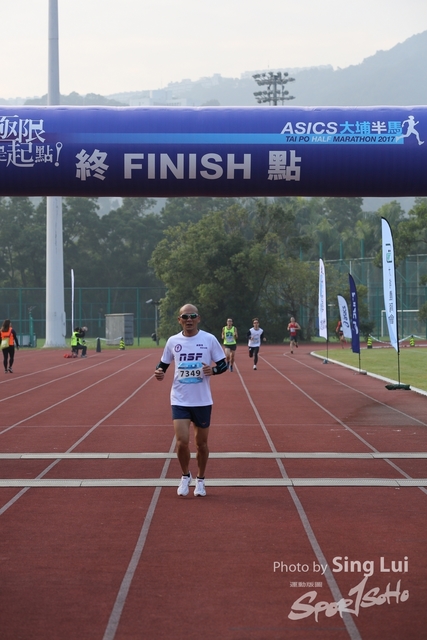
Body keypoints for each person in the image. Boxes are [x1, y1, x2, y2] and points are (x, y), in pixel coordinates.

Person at [154, 304, 227, 497]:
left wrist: (213, 370)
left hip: (202, 400)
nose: (189, 320)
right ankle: (185, 475)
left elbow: (223, 364)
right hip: (180, 399)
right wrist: (159, 372)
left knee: (201, 444)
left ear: (198, 318)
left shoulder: (209, 339)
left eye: (192, 316)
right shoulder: (173, 341)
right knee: (181, 442)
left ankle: (200, 479)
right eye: (185, 317)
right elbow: (163, 364)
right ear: (179, 320)